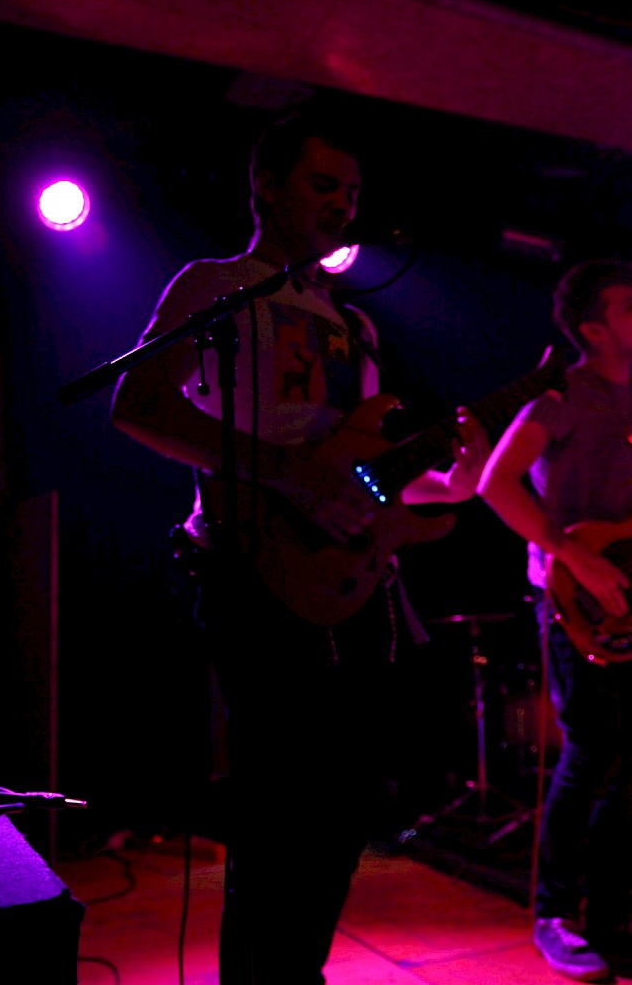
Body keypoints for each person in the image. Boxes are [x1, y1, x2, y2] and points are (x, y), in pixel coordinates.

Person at [110, 104, 490, 985]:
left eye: (351, 192)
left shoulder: (357, 326)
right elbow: (137, 406)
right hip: (248, 562)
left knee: (346, 799)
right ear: (267, 185)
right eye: (323, 184)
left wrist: (449, 480)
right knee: (279, 799)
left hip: (349, 581)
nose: (342, 205)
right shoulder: (216, 285)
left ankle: (297, 972)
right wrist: (284, 474)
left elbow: (358, 475)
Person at [477, 257, 632, 982]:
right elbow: (495, 481)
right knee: (591, 752)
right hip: (576, 599)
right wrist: (569, 552)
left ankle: (611, 914)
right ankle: (555, 914)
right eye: (628, 307)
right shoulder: (562, 395)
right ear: (593, 329)